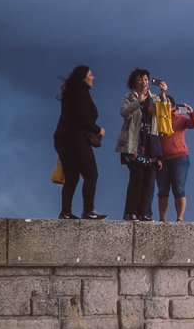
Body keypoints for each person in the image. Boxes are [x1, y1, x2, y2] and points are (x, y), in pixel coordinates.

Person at [52, 65, 107, 219]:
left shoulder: (72, 93)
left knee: (72, 177)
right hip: (75, 139)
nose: (93, 77)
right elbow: (82, 120)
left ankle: (66, 212)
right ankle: (88, 211)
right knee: (91, 174)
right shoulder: (80, 94)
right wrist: (99, 130)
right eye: (90, 74)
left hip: (63, 139)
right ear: (83, 77)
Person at [114, 68, 165, 221]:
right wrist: (139, 102)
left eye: (146, 79)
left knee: (149, 180)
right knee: (137, 178)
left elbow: (164, 111)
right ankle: (131, 212)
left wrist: (163, 93)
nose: (143, 82)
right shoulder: (128, 97)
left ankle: (145, 213)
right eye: (140, 79)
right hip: (135, 142)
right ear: (134, 82)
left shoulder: (154, 97)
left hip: (150, 142)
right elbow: (124, 112)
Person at [158, 96, 194, 222]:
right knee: (162, 189)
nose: (165, 105)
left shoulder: (180, 118)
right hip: (162, 159)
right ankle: (162, 218)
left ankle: (179, 219)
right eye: (162, 103)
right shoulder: (158, 119)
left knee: (178, 188)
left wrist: (192, 113)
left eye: (167, 103)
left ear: (173, 105)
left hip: (179, 158)